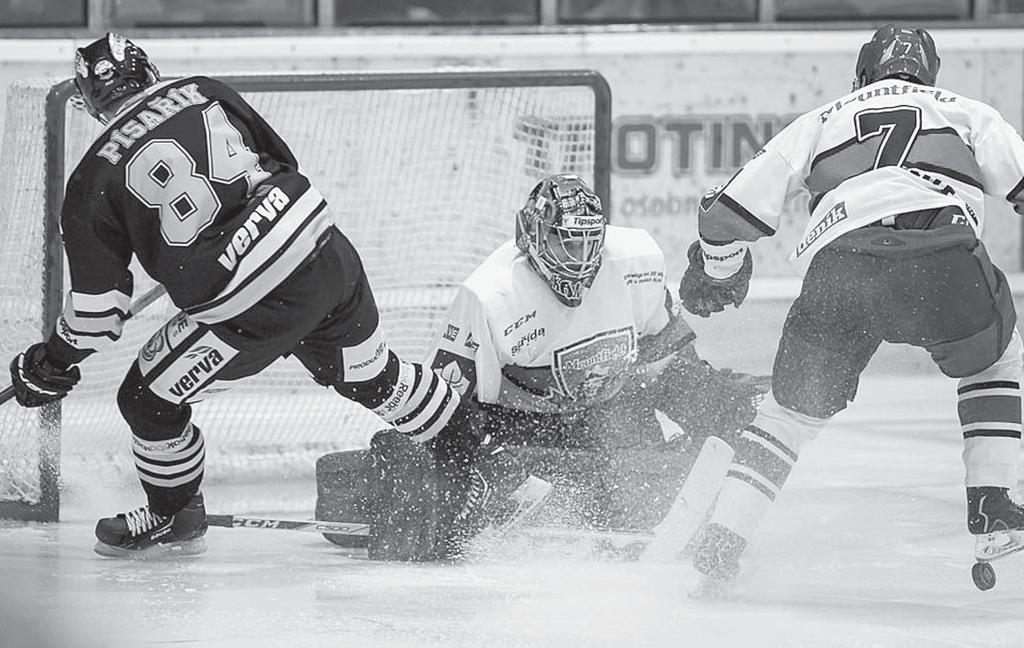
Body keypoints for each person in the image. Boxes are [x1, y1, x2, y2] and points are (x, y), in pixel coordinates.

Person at [6, 33, 486, 559]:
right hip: (324, 255)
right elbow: (280, 160)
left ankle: (175, 512)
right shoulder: (203, 90)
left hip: (252, 310)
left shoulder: (92, 179)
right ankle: (470, 449)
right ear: (147, 71)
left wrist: (51, 363)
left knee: (146, 400)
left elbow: (98, 313)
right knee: (372, 376)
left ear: (90, 99)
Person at [679, 24, 1024, 590]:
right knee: (995, 362)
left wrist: (718, 270)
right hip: (942, 261)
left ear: (862, 73)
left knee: (788, 415)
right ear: (930, 74)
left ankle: (722, 539)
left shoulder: (823, 118)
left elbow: (723, 215)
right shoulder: (966, 112)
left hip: (842, 273)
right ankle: (991, 509)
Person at [316, 174, 768, 554]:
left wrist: (711, 400)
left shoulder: (636, 260)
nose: (581, 259)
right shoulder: (489, 297)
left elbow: (664, 357)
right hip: (521, 430)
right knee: (447, 493)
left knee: (703, 409)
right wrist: (461, 477)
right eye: (566, 243)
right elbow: (447, 411)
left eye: (591, 243)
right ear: (532, 235)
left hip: (604, 416)